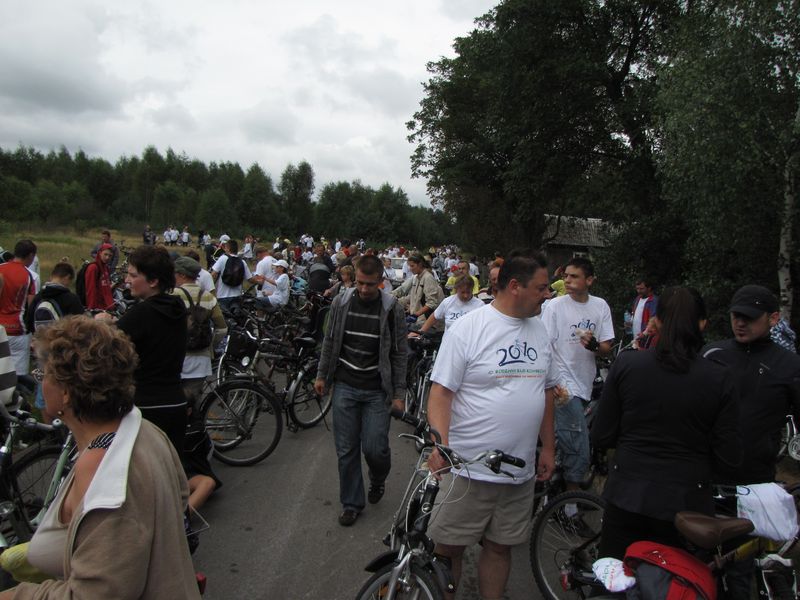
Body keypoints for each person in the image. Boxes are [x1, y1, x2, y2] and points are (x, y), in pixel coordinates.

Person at [7, 317, 201, 599]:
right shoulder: (144, 431)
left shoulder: (104, 472)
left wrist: (16, 595)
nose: (40, 383)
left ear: (65, 392)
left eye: (42, 374)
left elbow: (95, 593)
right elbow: (179, 500)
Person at [426, 250, 557, 600]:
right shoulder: (469, 328)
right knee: (448, 550)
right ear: (515, 286)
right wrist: (440, 445)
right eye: (541, 288)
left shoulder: (541, 330)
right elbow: (440, 393)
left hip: (518, 472)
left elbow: (546, 392)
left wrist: (548, 447)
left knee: (500, 548)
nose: (547, 294)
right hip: (468, 469)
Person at [592, 287, 741, 560]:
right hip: (688, 505)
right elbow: (729, 456)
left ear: (657, 321)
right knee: (679, 576)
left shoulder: (628, 365)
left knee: (617, 573)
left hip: (627, 493)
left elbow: (602, 434)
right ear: (702, 324)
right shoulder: (719, 378)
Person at [701, 285, 800, 600]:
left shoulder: (788, 365)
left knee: (740, 570)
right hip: (706, 478)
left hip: (754, 483)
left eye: (750, 318)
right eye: (736, 316)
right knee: (700, 566)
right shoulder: (712, 354)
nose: (740, 323)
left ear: (773, 318)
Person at [314, 254, 407, 527]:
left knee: (375, 449)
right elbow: (330, 340)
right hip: (345, 385)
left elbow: (400, 354)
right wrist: (322, 375)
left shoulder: (392, 309)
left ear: (381, 282)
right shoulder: (341, 302)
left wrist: (399, 394)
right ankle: (351, 503)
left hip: (377, 390)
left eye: (370, 284)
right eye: (360, 283)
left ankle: (377, 478)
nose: (364, 289)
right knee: (346, 449)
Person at [541, 258, 614, 492]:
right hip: (562, 384)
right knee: (577, 439)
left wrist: (594, 345)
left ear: (589, 280)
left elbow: (607, 346)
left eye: (574, 276)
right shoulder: (555, 306)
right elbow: (544, 346)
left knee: (568, 436)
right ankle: (572, 500)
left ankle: (552, 486)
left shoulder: (600, 306)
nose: (567, 280)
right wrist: (551, 381)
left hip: (585, 381)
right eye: (566, 276)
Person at [113, 246, 189, 453]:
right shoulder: (176, 308)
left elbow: (106, 346)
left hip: (145, 405)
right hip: (175, 401)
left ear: (153, 281)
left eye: (133, 275)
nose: (127, 280)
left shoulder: (142, 313)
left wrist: (102, 325)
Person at [170, 256, 226, 510]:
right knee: (194, 410)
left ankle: (179, 462)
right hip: (201, 361)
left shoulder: (173, 296)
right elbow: (222, 328)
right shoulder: (208, 297)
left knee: (175, 411)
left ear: (181, 275)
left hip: (176, 359)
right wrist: (210, 348)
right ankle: (198, 457)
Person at [0, 240, 37, 375]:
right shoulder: (29, 276)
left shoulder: (1, 268)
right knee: (18, 374)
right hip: (17, 330)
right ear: (31, 255)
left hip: (0, 327)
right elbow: (31, 306)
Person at [413, 275, 484, 335]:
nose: (465, 295)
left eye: (468, 292)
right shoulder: (448, 302)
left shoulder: (479, 305)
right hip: (449, 343)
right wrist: (420, 332)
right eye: (462, 292)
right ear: (456, 289)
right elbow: (434, 316)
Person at [211, 239, 263, 312]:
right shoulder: (242, 261)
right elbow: (250, 279)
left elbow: (213, 275)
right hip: (237, 296)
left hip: (222, 295)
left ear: (228, 248)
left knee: (224, 317)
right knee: (236, 316)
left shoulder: (222, 259)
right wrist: (259, 282)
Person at [392, 253, 444, 327]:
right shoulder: (416, 278)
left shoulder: (428, 277)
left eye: (412, 266)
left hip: (424, 321)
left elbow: (431, 303)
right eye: (409, 266)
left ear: (420, 264)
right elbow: (413, 296)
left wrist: (416, 315)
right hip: (417, 320)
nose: (410, 268)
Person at [84, 243, 115, 311]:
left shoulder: (106, 268)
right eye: (105, 254)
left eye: (110, 256)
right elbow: (90, 289)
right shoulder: (93, 268)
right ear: (100, 253)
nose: (107, 258)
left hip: (107, 306)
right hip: (97, 307)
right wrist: (92, 308)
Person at [629, 278, 658, 349]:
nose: (639, 291)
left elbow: (654, 320)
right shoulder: (637, 299)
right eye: (637, 289)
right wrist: (630, 322)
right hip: (636, 338)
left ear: (649, 288)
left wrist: (645, 333)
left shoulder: (653, 301)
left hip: (646, 338)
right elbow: (635, 315)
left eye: (641, 289)